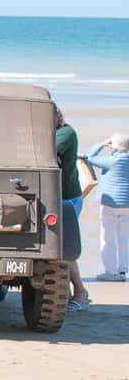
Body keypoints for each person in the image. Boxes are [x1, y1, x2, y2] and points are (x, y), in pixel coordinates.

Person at [82, 133, 129, 281]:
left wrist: (101, 144)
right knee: (124, 238)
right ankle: (123, 270)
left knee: (107, 238)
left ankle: (110, 272)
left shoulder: (112, 160)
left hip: (110, 204)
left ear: (114, 147)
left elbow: (89, 157)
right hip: (127, 204)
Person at [56, 108, 88, 310]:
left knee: (64, 247)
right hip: (58, 196)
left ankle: (80, 292)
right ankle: (64, 291)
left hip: (68, 197)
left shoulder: (65, 133)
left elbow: (47, 151)